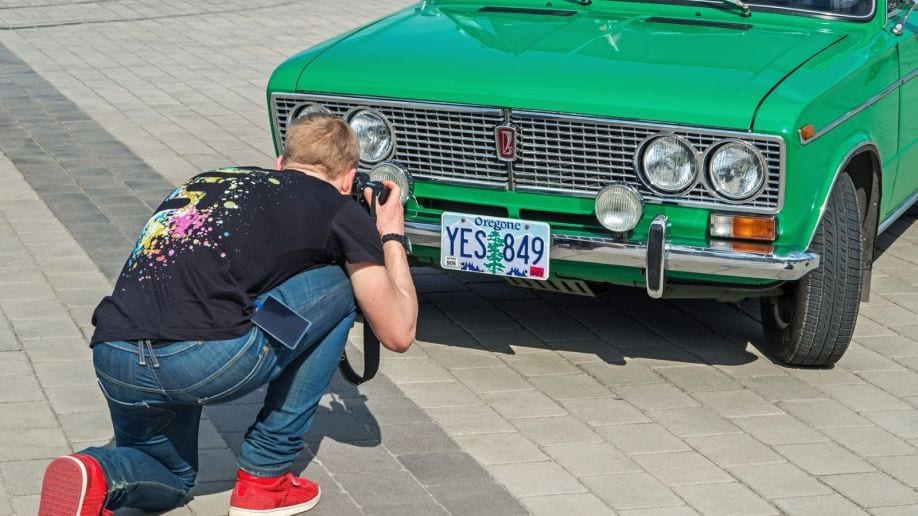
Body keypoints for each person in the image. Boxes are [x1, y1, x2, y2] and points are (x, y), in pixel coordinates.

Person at [37, 113, 418, 515]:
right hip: (198, 361)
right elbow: (397, 332)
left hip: (114, 352)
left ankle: (95, 471)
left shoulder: (210, 179)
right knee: (339, 288)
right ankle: (265, 481)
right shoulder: (337, 207)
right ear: (348, 177)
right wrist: (390, 231)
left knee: (171, 478)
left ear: (280, 162)